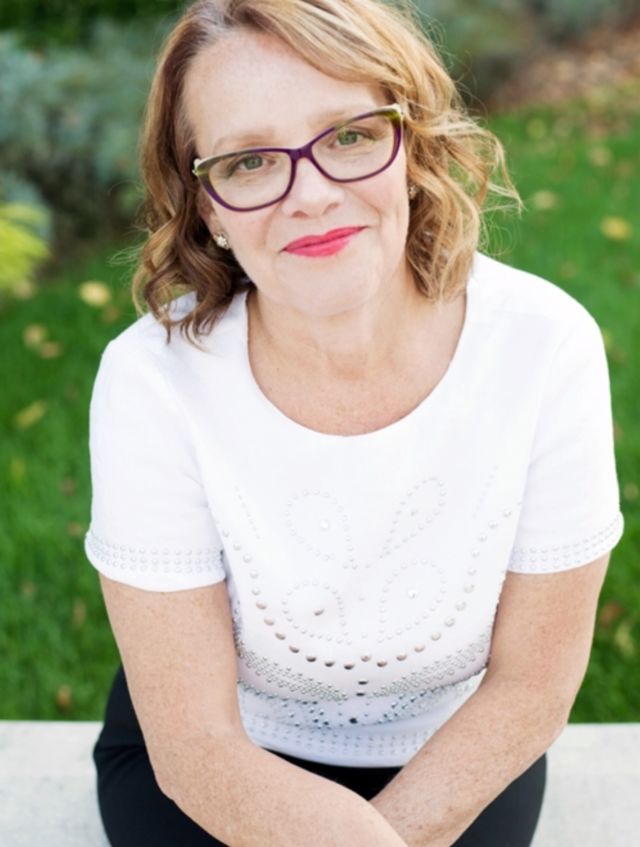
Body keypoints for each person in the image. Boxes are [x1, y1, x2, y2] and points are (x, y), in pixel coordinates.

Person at [85, 1, 624, 845]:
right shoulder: (151, 380)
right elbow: (195, 745)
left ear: (411, 147)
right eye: (250, 161)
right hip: (223, 760)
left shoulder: (544, 347)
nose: (310, 195)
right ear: (207, 205)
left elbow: (531, 686)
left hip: (461, 752)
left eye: (349, 136)